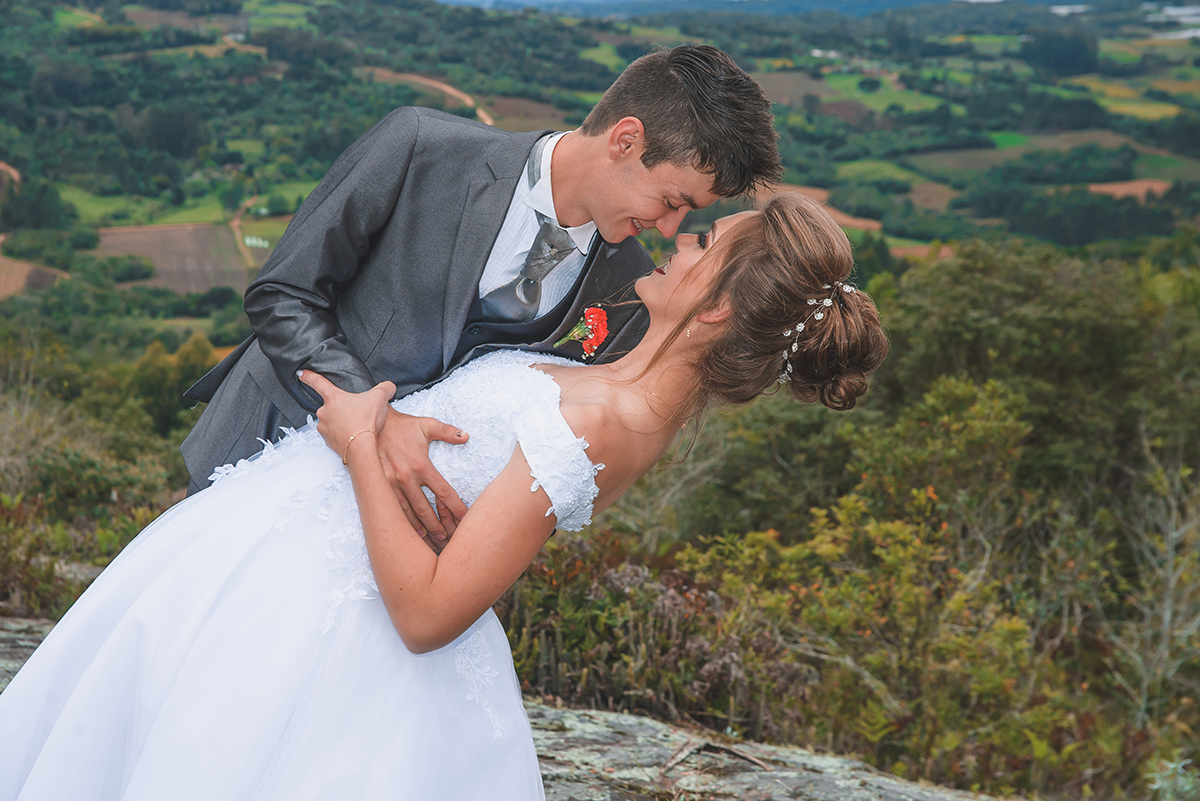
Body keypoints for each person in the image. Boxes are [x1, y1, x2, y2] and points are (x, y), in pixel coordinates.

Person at [0, 194, 888, 799]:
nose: (683, 237)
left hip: (322, 629)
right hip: (261, 563)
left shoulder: (612, 421)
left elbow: (429, 613)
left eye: (707, 244)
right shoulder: (613, 377)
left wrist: (357, 443)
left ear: (721, 309)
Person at [180, 45, 783, 548]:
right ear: (626, 140)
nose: (672, 229)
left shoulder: (633, 292)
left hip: (382, 542)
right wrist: (376, 418)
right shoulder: (420, 147)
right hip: (258, 452)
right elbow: (283, 293)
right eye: (673, 200)